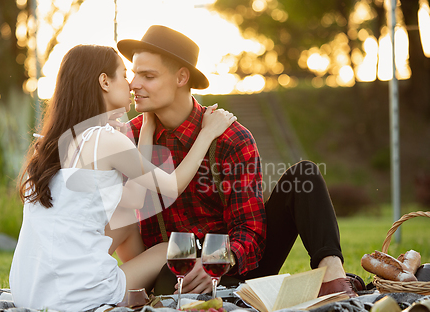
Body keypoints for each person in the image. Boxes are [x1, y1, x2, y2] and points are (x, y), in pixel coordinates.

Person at [117, 25, 358, 297]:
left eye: (147, 76)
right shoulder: (133, 136)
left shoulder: (231, 138)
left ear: (181, 77)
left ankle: (333, 277)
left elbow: (251, 230)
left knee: (304, 176)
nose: (134, 84)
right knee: (168, 280)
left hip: (237, 264)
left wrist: (214, 264)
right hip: (173, 266)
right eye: (134, 73)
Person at [9, 44, 236, 312]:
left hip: (29, 291)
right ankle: (142, 290)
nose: (131, 84)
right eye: (123, 74)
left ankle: (134, 283)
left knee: (125, 220)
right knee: (167, 246)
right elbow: (171, 186)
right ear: (104, 81)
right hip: (73, 297)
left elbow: (134, 199)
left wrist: (147, 129)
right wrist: (207, 134)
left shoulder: (51, 144)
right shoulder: (105, 139)